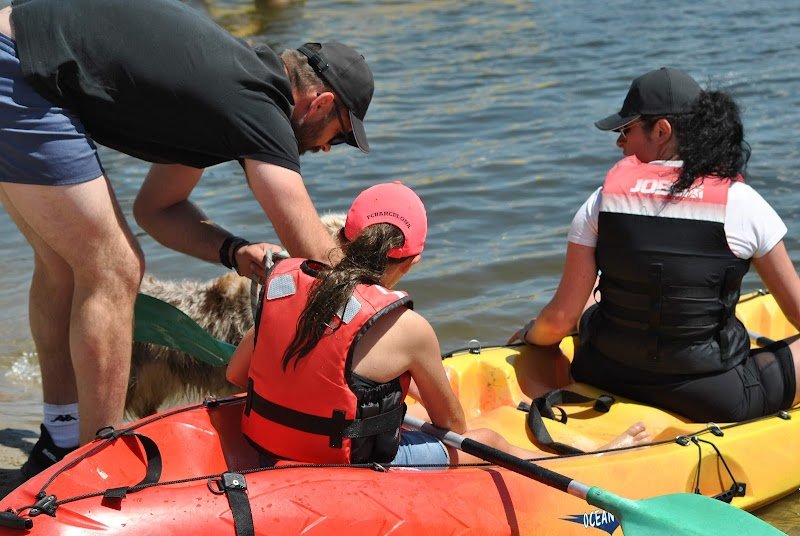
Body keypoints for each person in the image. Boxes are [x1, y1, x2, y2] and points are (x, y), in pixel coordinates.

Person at [0, 0, 375, 477]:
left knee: (63, 266)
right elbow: (318, 257)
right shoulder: (262, 108)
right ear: (320, 103)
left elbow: (157, 209)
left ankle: (60, 440)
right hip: (19, 68)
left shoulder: (226, 89)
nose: (325, 149)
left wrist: (233, 250)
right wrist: (384, 311)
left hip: (19, 55)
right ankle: (93, 467)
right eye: (337, 136)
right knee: (114, 269)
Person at [227, 182, 648, 468]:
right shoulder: (407, 329)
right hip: (346, 463)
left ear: (341, 239)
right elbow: (455, 429)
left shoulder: (283, 282)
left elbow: (235, 374)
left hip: (266, 439)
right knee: (489, 442)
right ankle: (579, 463)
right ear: (412, 261)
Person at [511, 67, 800, 423]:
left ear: (662, 130)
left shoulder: (601, 202)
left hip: (603, 373)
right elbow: (797, 312)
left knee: (590, 296)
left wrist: (530, 336)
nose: (619, 142)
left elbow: (561, 318)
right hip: (715, 395)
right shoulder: (742, 203)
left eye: (626, 130)